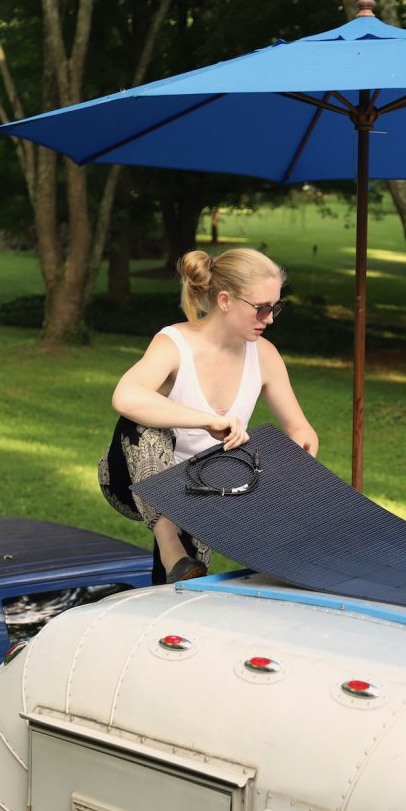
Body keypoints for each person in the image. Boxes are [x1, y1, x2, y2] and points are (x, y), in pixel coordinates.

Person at [105, 247, 318, 584]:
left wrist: (304, 445)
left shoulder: (265, 355)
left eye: (275, 307)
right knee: (140, 421)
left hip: (204, 487)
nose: (270, 318)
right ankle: (168, 542)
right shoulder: (175, 343)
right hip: (134, 480)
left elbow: (299, 428)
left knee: (180, 583)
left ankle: (177, 567)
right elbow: (125, 395)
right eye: (261, 308)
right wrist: (206, 420)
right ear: (224, 301)